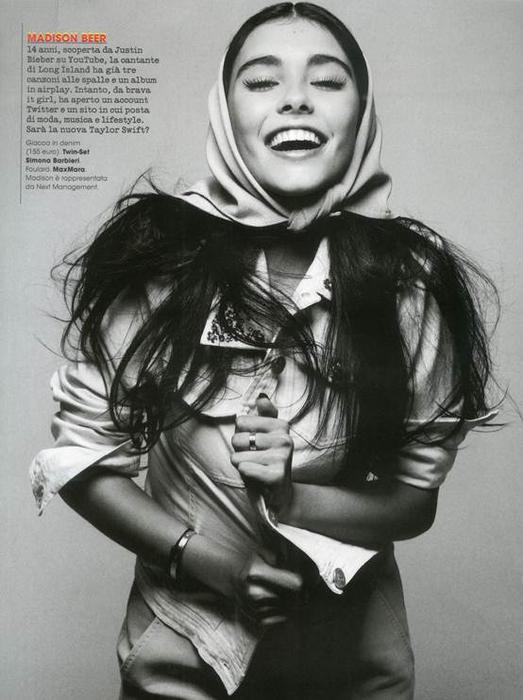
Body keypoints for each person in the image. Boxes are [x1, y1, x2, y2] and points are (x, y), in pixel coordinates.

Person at [30, 3, 499, 698]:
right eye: (261, 81)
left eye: (327, 80)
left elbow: (413, 502)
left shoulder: (410, 281)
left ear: (362, 113)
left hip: (354, 664)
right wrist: (208, 562)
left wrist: (289, 495)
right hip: (185, 649)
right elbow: (80, 457)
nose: (295, 99)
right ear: (226, 112)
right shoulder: (158, 261)